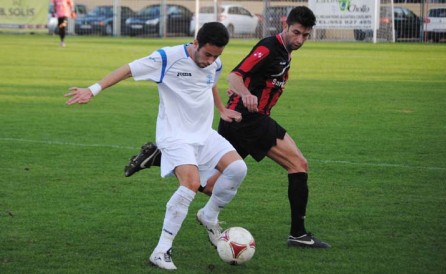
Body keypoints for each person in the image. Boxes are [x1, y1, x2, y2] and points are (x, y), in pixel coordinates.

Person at [125, 6, 330, 249]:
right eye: (296, 33)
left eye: (305, 36)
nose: (299, 40)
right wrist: (245, 94)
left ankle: (158, 158)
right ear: (285, 26)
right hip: (250, 120)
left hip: (235, 121)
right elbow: (235, 76)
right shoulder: (269, 47)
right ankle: (298, 233)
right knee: (299, 164)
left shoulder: (284, 51)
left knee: (211, 186)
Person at [64, 22, 247, 270]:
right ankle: (161, 251)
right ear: (195, 43)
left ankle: (209, 216)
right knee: (191, 183)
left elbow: (211, 81)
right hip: (174, 135)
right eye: (207, 54)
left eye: (217, 55)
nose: (210, 60)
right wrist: (93, 90)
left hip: (204, 134)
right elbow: (128, 69)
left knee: (238, 169)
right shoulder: (167, 57)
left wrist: (222, 109)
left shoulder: (214, 63)